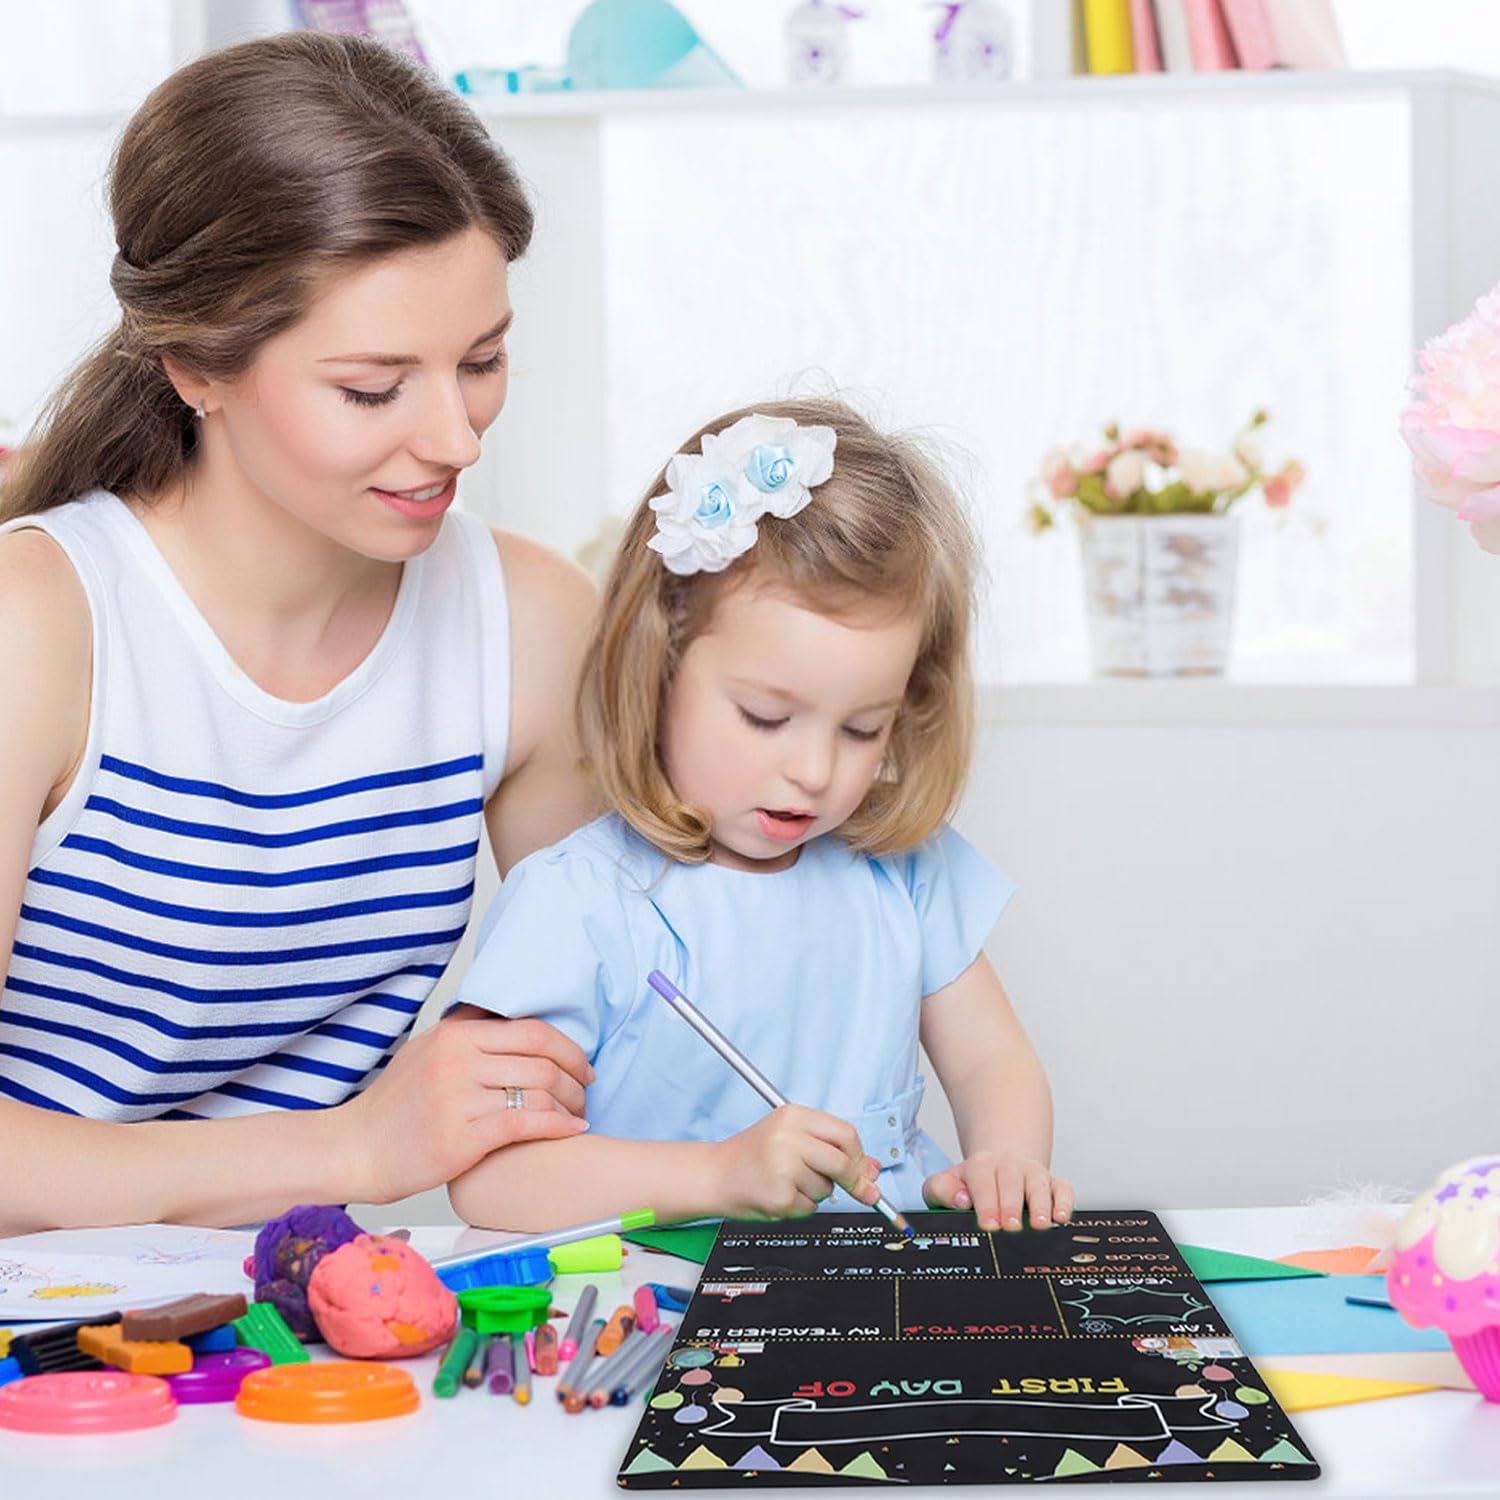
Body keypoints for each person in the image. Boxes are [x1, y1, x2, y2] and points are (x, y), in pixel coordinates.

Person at [0, 33, 604, 1235]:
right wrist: (353, 1144)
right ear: (195, 365)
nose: (456, 439)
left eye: (482, 362)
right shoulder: (41, 628)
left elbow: (629, 1047)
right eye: (373, 388)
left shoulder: (529, 629)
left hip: (306, 1315)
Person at [449, 398, 1072, 1233]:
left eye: (863, 729)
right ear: (657, 666)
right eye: (766, 717)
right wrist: (717, 1175)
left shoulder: (906, 872)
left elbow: (993, 1058)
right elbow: (491, 1177)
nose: (813, 771)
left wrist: (1007, 1158)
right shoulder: (576, 903)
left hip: (884, 1280)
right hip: (664, 1297)